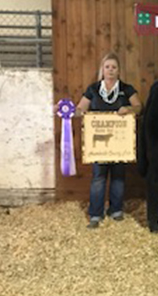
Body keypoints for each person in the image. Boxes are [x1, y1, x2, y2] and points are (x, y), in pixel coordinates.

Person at [63, 52, 142, 229]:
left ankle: (116, 210)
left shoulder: (127, 89)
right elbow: (80, 108)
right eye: (107, 67)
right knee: (98, 177)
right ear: (102, 69)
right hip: (98, 144)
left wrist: (129, 109)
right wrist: (65, 111)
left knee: (118, 177)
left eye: (114, 67)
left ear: (119, 70)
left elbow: (139, 107)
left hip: (120, 142)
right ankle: (96, 214)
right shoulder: (93, 89)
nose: (111, 70)